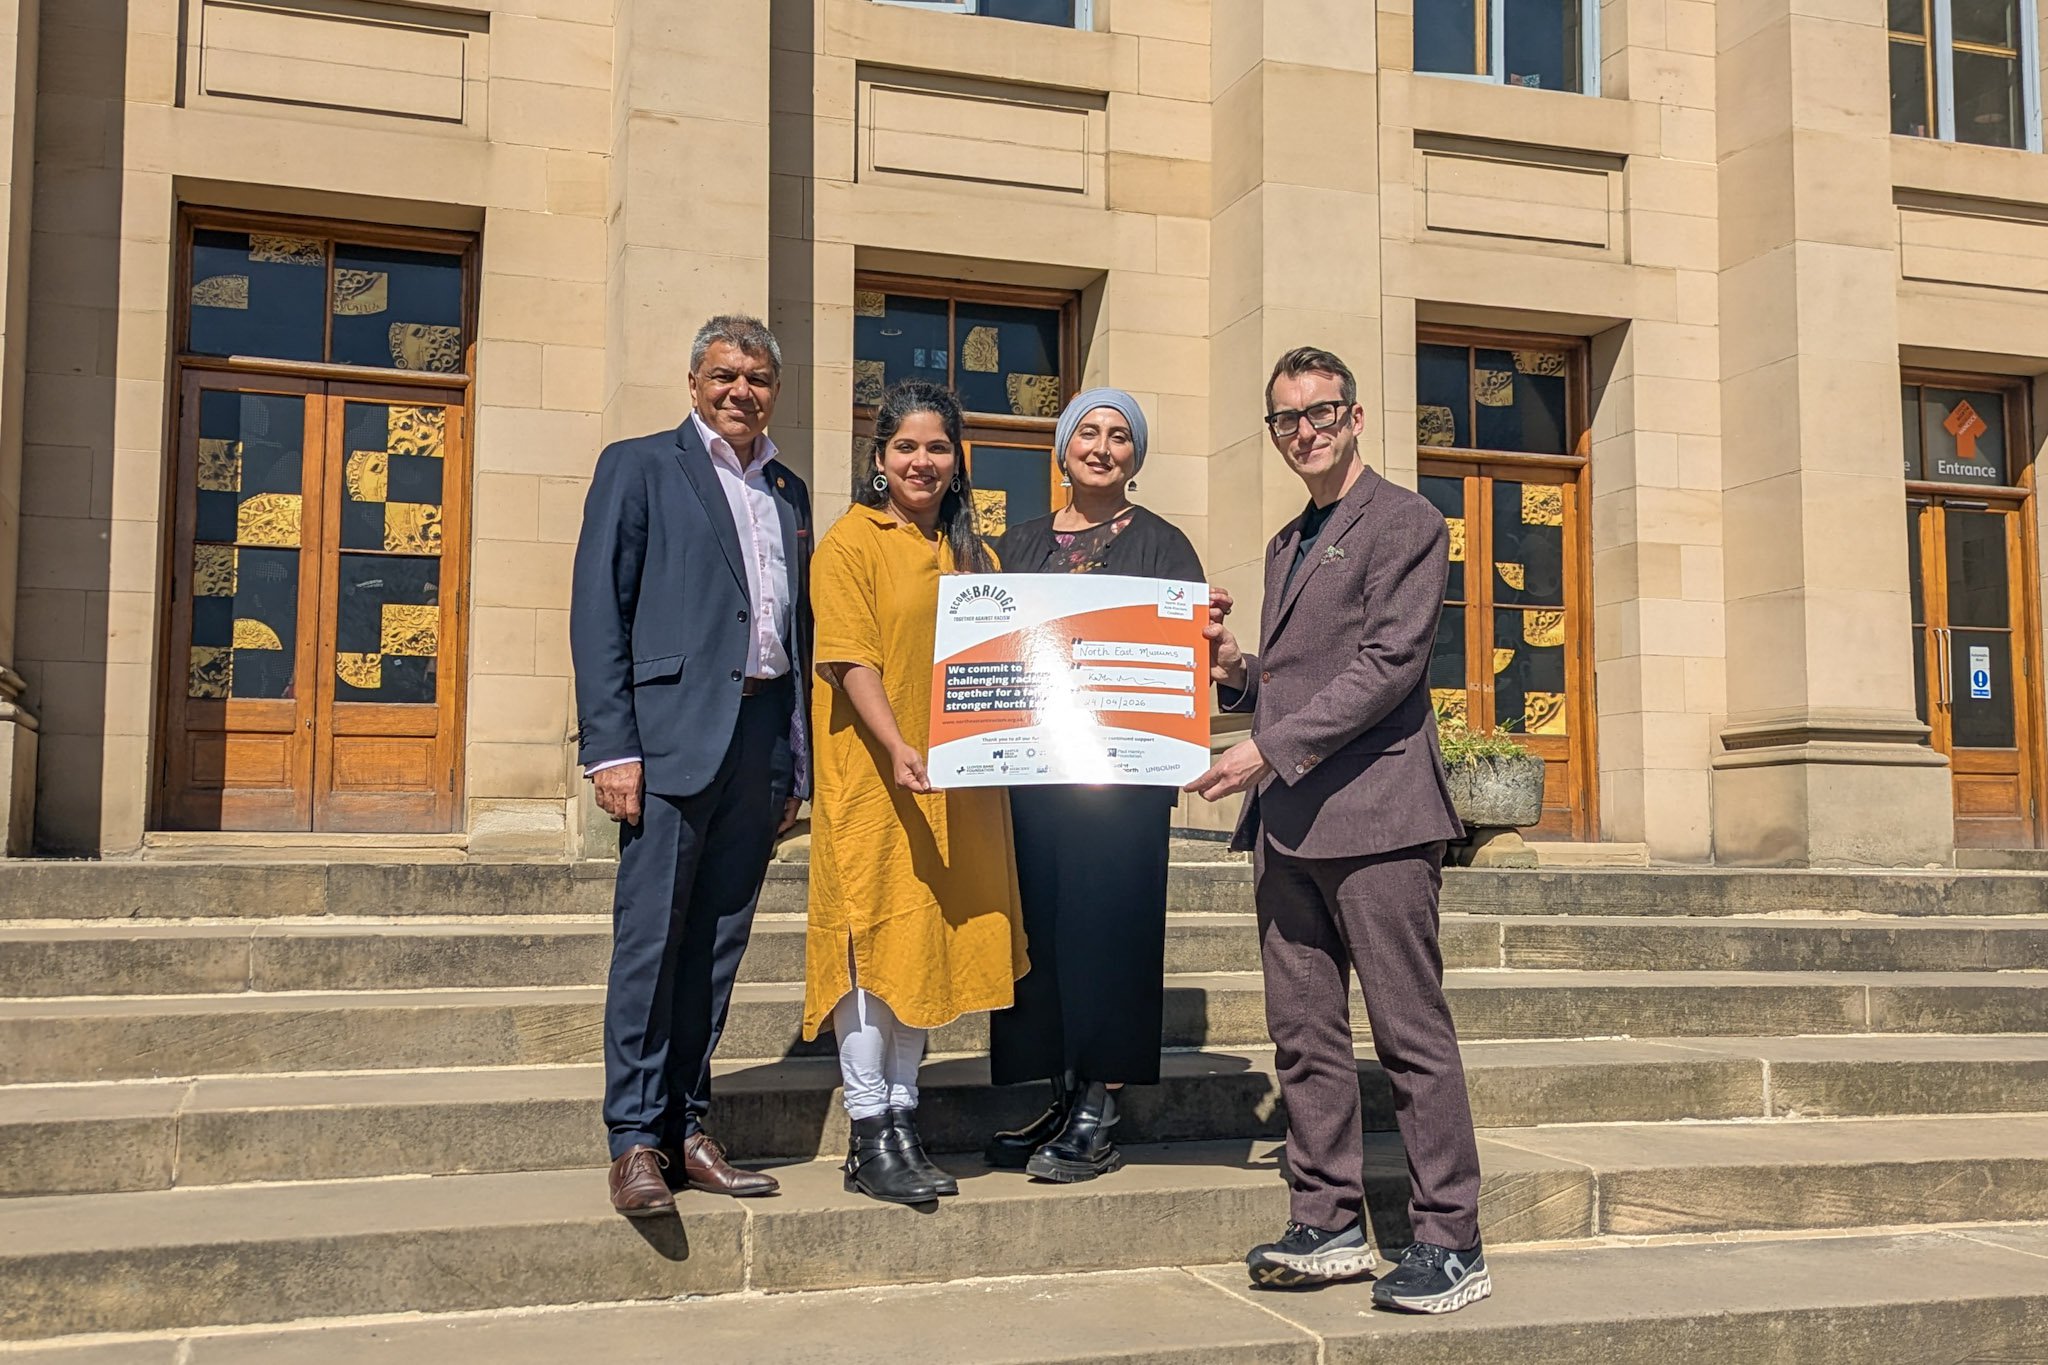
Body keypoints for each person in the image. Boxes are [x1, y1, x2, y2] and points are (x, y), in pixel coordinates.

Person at [1186, 346, 1487, 1313]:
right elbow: (1297, 677)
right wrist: (1236, 666)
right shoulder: (1286, 543)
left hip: (1379, 819)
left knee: (1409, 1035)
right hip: (1289, 831)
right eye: (1286, 419)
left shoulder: (1407, 520)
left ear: (1355, 417)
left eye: (1321, 412)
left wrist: (1265, 751)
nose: (1305, 431)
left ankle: (1451, 1236)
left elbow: (1388, 666)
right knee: (1304, 1035)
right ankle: (1328, 1220)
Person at [571, 315, 810, 1217]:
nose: (740, 391)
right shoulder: (640, 466)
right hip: (667, 743)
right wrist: (612, 745)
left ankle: (687, 1124)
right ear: (693, 379)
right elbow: (600, 608)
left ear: (773, 390)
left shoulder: (787, 488)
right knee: (650, 944)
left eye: (756, 378)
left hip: (757, 744)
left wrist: (796, 766)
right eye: (725, 374)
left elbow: (795, 630)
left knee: (716, 946)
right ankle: (633, 1138)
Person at [804, 379, 1027, 1205]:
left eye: (937, 447)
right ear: (879, 458)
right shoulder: (851, 542)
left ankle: (902, 1118)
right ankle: (868, 1130)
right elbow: (851, 656)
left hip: (959, 784)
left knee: (926, 945)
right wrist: (897, 743)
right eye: (906, 447)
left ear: (958, 458)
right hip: (874, 777)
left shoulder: (980, 557)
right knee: (871, 946)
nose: (922, 461)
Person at [983, 388, 1203, 1183]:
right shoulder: (1018, 545)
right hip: (1034, 782)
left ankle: (1099, 1106)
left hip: (1123, 789)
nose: (1102, 447)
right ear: (1062, 448)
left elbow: (1184, 667)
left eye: (1119, 436)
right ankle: (1058, 1091)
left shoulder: (1166, 549)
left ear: (1135, 457)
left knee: (1111, 934)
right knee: (1038, 935)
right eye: (1088, 432)